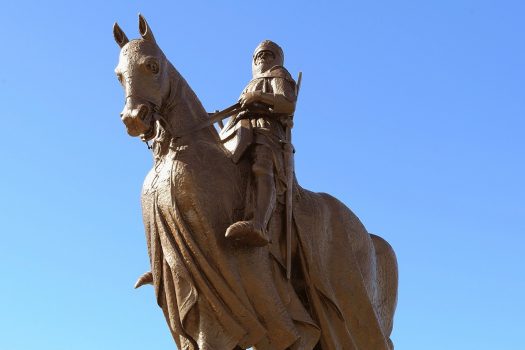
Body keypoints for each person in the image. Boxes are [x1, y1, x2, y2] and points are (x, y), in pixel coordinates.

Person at [222, 40, 297, 247]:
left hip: (267, 130)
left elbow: (288, 104)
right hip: (242, 130)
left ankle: (260, 224)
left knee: (262, 167)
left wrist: (259, 96)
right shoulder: (248, 84)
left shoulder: (279, 75)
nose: (262, 58)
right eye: (259, 55)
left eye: (268, 54)